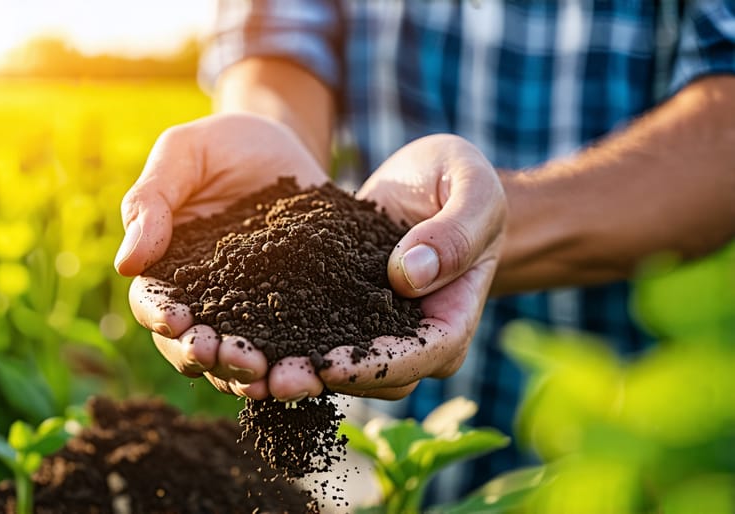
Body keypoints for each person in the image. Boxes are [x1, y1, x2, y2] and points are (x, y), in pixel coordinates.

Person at [115, 0, 735, 501]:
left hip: (626, 429)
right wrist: (269, 151)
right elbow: (277, 42)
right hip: (371, 430)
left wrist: (489, 222)